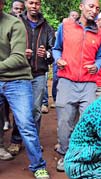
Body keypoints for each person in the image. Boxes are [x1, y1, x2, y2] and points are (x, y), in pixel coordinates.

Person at [52, 0, 101, 172]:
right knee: (64, 121)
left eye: (97, 8)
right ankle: (65, 154)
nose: (94, 10)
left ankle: (82, 155)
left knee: (87, 122)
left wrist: (96, 66)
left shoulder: (100, 34)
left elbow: (100, 57)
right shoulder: (66, 26)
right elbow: (56, 48)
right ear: (81, 7)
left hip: (89, 83)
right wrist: (58, 59)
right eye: (91, 6)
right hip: (67, 80)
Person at [0, 0, 50, 179]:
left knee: (26, 123)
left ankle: (38, 166)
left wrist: (48, 54)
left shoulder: (14, 23)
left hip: (18, 79)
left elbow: (18, 58)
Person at [7, 0, 55, 156]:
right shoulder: (17, 22)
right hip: (19, 73)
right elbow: (7, 47)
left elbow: (53, 50)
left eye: (37, 3)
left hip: (39, 74)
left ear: (41, 5)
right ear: (26, 4)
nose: (34, 6)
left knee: (35, 110)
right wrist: (21, 53)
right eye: (31, 2)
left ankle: (33, 142)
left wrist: (46, 54)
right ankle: (16, 140)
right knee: (20, 109)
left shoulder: (46, 26)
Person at [1, 0, 25, 132]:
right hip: (4, 71)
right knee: (4, 104)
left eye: (21, 9)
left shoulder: (19, 23)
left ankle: (17, 139)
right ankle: (6, 120)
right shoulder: (5, 23)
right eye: (16, 8)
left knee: (24, 114)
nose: (19, 11)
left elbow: (18, 56)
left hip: (21, 73)